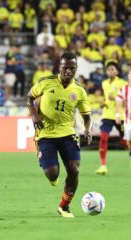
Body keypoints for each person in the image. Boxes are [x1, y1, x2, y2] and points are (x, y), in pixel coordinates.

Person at [27, 51, 92, 218]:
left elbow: (87, 116)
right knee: (53, 174)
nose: (68, 71)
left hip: (67, 133)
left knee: (74, 170)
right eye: (65, 67)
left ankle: (64, 206)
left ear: (76, 68)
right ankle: (44, 162)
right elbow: (29, 97)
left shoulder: (79, 91)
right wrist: (34, 115)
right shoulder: (46, 82)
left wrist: (88, 129)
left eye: (72, 68)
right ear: (60, 67)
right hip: (46, 133)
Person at [96, 60, 127, 175]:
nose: (110, 71)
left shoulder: (123, 83)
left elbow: (127, 99)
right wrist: (104, 102)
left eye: (112, 69)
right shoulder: (104, 83)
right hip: (107, 114)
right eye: (108, 69)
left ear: (117, 71)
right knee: (103, 138)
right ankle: (103, 165)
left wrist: (115, 98)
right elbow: (106, 98)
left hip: (120, 115)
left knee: (125, 141)